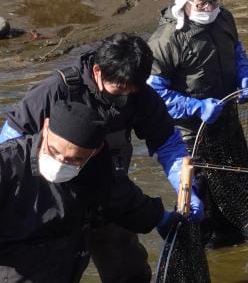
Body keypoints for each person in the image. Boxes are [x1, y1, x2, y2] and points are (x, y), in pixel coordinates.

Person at [0, 33, 198, 283]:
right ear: (97, 71)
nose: (124, 96)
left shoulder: (139, 97)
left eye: (131, 91)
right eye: (119, 89)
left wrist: (164, 211)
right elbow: (10, 150)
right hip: (45, 205)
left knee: (129, 272)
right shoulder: (53, 91)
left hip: (104, 200)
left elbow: (167, 144)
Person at [0, 100, 173, 283]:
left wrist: (163, 218)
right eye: (54, 150)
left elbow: (127, 202)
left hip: (65, 265)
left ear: (95, 152)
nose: (60, 162)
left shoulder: (100, 171)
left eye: (73, 160)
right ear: (46, 126)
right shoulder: (6, 166)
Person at [147, 0, 248, 247]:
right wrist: (195, 107)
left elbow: (236, 50)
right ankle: (207, 252)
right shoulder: (166, 41)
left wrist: (245, 75)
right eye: (203, 2)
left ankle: (234, 245)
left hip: (227, 121)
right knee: (204, 202)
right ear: (185, 2)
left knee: (240, 185)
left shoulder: (224, 19)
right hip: (191, 134)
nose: (209, 7)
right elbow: (154, 95)